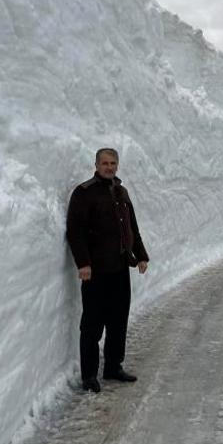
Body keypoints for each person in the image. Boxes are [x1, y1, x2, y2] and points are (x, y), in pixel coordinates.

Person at [66, 148, 149, 393]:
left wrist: (141, 255)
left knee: (118, 321)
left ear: (117, 165)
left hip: (120, 268)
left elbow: (132, 227)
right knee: (92, 324)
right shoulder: (84, 193)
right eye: (105, 163)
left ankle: (113, 366)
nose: (109, 167)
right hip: (96, 271)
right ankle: (89, 375)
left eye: (113, 163)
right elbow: (75, 231)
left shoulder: (121, 192)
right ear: (96, 164)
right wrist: (83, 263)